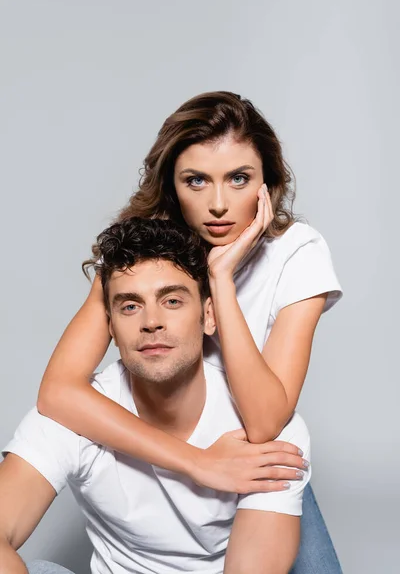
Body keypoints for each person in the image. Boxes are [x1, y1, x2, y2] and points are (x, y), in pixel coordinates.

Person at [37, 92, 343, 571]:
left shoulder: (296, 253)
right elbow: (58, 392)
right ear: (172, 185)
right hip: (162, 454)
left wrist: (220, 278)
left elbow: (265, 423)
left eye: (239, 179)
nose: (218, 204)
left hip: (253, 461)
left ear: (268, 185)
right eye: (196, 180)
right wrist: (195, 461)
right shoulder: (145, 252)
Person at [1, 218, 311, 574]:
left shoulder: (262, 430)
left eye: (173, 301)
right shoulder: (73, 417)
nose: (152, 321)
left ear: (209, 316)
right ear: (111, 327)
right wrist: (199, 462)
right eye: (130, 306)